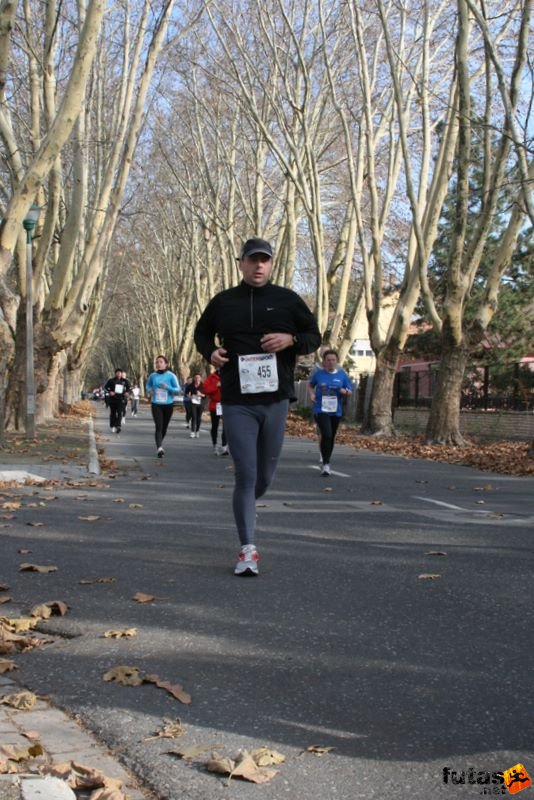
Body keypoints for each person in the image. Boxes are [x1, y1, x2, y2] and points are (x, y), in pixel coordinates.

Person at [194, 236, 321, 576]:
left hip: (276, 399)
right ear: (242, 263)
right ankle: (247, 549)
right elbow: (201, 334)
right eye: (253, 260)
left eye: (264, 260)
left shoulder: (287, 300)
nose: (259, 265)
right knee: (246, 473)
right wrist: (211, 353)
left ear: (271, 264)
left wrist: (291, 339)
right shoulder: (223, 302)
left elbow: (314, 335)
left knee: (264, 475)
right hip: (237, 400)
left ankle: (248, 504)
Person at [308, 349, 353, 476]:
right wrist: (311, 395)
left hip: (336, 411)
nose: (331, 362)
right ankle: (326, 464)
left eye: (333, 360)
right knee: (326, 434)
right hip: (320, 409)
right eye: (328, 360)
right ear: (324, 362)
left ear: (337, 361)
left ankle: (326, 459)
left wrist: (346, 392)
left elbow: (350, 390)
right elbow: (310, 385)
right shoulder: (319, 374)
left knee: (331, 436)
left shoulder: (342, 375)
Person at [145, 355, 181, 457]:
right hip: (156, 404)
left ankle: (160, 442)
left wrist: (167, 387)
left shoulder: (171, 376)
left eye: (160, 362)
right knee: (159, 426)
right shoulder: (153, 376)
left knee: (164, 427)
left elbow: (177, 390)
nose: (158, 364)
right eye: (157, 362)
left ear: (166, 364)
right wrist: (149, 390)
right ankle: (159, 448)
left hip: (168, 404)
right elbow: (148, 385)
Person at [202, 368, 229, 455]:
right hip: (215, 405)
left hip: (227, 404)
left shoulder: (229, 375)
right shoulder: (211, 377)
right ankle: (215, 445)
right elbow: (205, 390)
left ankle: (224, 446)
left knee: (226, 426)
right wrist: (216, 386)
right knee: (215, 426)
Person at [103, 368, 131, 434]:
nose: (119, 374)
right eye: (117, 373)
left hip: (121, 399)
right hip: (112, 399)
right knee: (113, 413)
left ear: (121, 374)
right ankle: (112, 426)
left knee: (119, 412)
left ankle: (118, 426)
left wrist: (127, 392)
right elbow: (105, 388)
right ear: (115, 373)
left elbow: (129, 388)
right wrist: (110, 392)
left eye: (120, 373)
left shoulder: (125, 381)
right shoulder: (111, 380)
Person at [185, 373, 205, 438]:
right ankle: (192, 432)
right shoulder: (190, 385)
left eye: (198, 377)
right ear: (194, 378)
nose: (197, 379)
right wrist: (188, 396)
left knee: (199, 417)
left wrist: (201, 395)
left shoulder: (203, 386)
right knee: (194, 416)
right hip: (193, 403)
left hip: (201, 403)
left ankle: (197, 431)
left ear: (200, 378)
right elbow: (186, 393)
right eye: (196, 377)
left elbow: (206, 395)